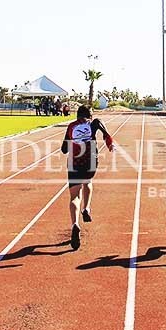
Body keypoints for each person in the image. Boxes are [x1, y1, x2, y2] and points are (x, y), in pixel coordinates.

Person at [61, 106, 114, 250]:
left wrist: (74, 141)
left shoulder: (71, 126)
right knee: (88, 181)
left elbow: (64, 149)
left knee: (74, 196)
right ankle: (86, 209)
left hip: (74, 163)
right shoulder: (94, 123)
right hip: (90, 162)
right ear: (90, 115)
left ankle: (75, 224)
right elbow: (106, 134)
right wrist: (110, 144)